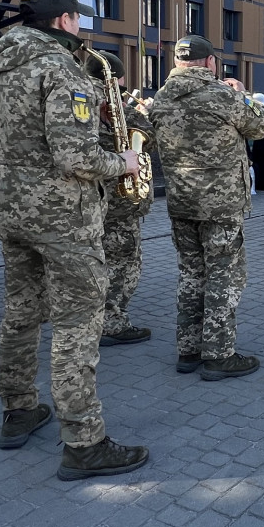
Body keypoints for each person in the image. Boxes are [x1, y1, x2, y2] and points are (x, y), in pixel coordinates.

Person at [0, 0, 148, 479]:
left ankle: (18, 410)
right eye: (79, 18)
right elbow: (76, 157)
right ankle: (84, 442)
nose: (82, 26)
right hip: (61, 218)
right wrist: (124, 160)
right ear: (63, 21)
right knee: (78, 323)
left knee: (20, 312)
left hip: (10, 209)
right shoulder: (61, 69)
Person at [149, 34, 264, 379]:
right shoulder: (222, 95)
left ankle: (188, 351)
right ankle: (218, 355)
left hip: (181, 200)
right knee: (223, 275)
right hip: (220, 204)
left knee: (190, 274)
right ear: (209, 62)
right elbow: (260, 127)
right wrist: (242, 94)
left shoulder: (161, 98)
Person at [85, 52, 155, 347]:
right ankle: (111, 322)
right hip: (118, 202)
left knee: (101, 262)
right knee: (122, 263)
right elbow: (147, 133)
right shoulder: (109, 105)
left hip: (94, 202)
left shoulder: (74, 97)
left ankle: (97, 319)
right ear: (117, 80)